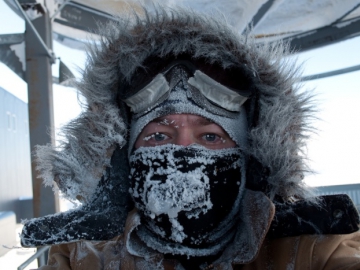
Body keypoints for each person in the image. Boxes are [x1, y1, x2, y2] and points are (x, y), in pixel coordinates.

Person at [21, 7, 360, 270]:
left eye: (210, 136)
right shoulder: (83, 259)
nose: (183, 150)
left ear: (249, 159)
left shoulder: (313, 250)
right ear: (124, 158)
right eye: (158, 136)